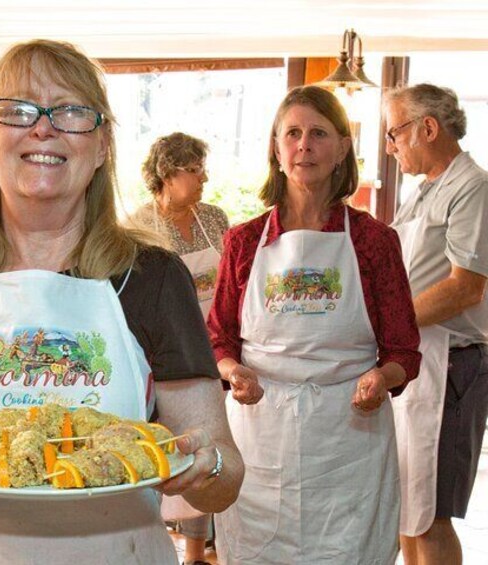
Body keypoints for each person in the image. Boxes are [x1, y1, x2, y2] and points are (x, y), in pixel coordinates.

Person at [0, 39, 243, 564]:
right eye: (16, 111)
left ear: (102, 145)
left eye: (72, 111)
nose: (44, 127)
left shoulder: (152, 279)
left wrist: (206, 467)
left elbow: (224, 473)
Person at [207, 85, 421, 564]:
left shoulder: (374, 242)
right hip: (262, 430)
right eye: (293, 133)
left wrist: (380, 378)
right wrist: (232, 372)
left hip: (348, 435)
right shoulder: (243, 241)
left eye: (319, 133)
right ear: (277, 148)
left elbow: (404, 349)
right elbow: (218, 336)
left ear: (343, 148)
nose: (305, 145)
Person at [386, 84, 488, 565]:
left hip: (451, 365)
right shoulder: (422, 192)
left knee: (431, 516)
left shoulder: (474, 188)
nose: (391, 145)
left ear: (428, 128)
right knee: (407, 509)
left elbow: (465, 286)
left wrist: (390, 325)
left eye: (395, 132)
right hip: (414, 362)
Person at [135, 132, 229, 565]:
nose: (203, 177)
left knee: (208, 441)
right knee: (167, 444)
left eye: (201, 168)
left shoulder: (214, 218)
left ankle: (197, 553)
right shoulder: (141, 225)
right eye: (193, 169)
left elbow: (230, 283)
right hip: (166, 350)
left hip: (214, 345)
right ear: (166, 175)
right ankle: (154, 540)